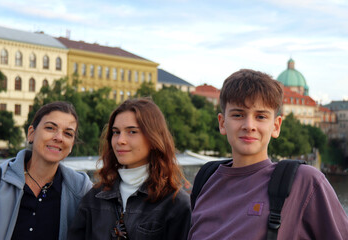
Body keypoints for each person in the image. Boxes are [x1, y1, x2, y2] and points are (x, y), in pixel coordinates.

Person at [188, 69, 348, 239]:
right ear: (222, 123)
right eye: (238, 114)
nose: (249, 125)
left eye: (261, 117)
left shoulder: (304, 182)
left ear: (276, 126)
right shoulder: (206, 179)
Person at [68, 98, 191, 240]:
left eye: (132, 132)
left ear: (153, 138)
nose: (120, 140)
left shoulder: (176, 204)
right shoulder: (94, 198)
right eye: (116, 132)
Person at [0, 101, 92, 240]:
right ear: (31, 133)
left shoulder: (81, 190)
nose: (59, 137)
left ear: (72, 144)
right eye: (50, 128)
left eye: (68, 133)